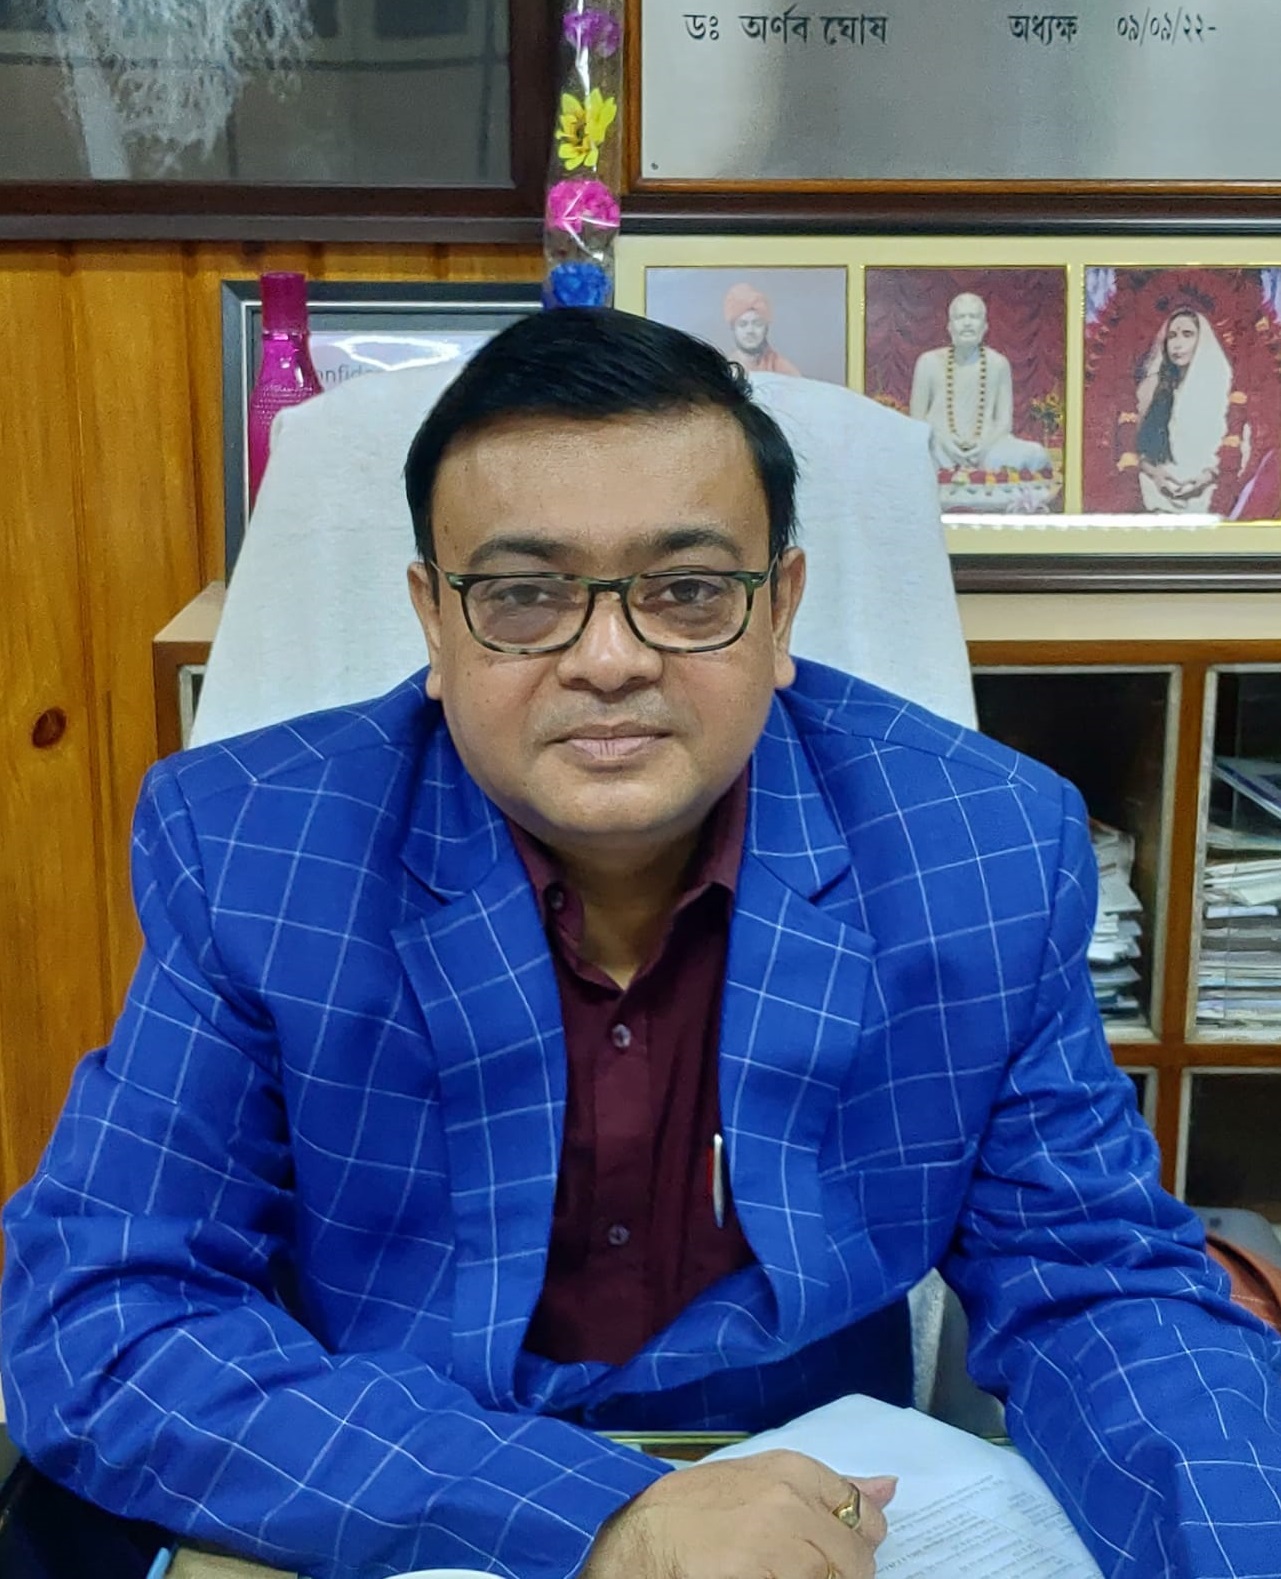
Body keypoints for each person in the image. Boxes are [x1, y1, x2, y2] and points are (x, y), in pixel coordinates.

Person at [4, 308, 1281, 1579]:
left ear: (780, 609)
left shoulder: (982, 850)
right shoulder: (257, 846)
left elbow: (1099, 1286)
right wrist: (604, 1516)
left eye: (686, 591)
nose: (609, 659)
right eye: (524, 596)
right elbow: (101, 1313)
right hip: (394, 1499)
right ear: (435, 625)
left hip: (811, 1518)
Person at [909, 291, 1051, 474]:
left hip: (987, 448)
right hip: (940, 447)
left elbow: (1004, 422)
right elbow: (917, 420)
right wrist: (943, 441)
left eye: (974, 317)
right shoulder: (928, 362)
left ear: (985, 327)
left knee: (1036, 454)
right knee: (908, 454)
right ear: (949, 327)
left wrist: (984, 446)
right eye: (960, 317)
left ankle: (972, 469)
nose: (967, 323)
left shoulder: (998, 364)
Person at [1134, 307, 1238, 513]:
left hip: (1208, 485)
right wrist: (1156, 474)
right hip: (1162, 484)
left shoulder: (1223, 386)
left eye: (1187, 334)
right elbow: (1140, 449)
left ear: (1202, 340)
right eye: (1172, 336)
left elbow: (1237, 447)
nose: (1177, 344)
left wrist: (1206, 477)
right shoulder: (1157, 388)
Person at [722, 282, 802, 376]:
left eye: (757, 324)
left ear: (766, 328)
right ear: (733, 328)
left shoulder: (785, 370)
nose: (750, 331)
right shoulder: (725, 368)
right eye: (743, 324)